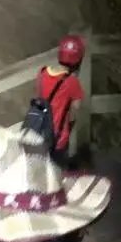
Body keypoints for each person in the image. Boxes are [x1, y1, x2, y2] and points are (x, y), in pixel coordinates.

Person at [35, 34, 86, 170]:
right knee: (55, 171)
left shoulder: (43, 72)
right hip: (58, 138)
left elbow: (39, 97)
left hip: (39, 131)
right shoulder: (72, 83)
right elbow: (74, 112)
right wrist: (70, 126)